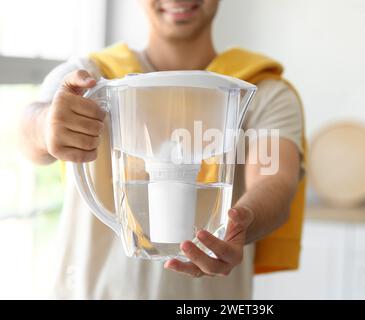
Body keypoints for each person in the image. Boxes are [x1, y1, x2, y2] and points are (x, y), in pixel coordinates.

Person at [19, 0, 306, 299]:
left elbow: (276, 179)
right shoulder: (90, 77)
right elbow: (28, 130)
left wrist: (240, 222)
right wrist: (47, 124)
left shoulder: (265, 91)